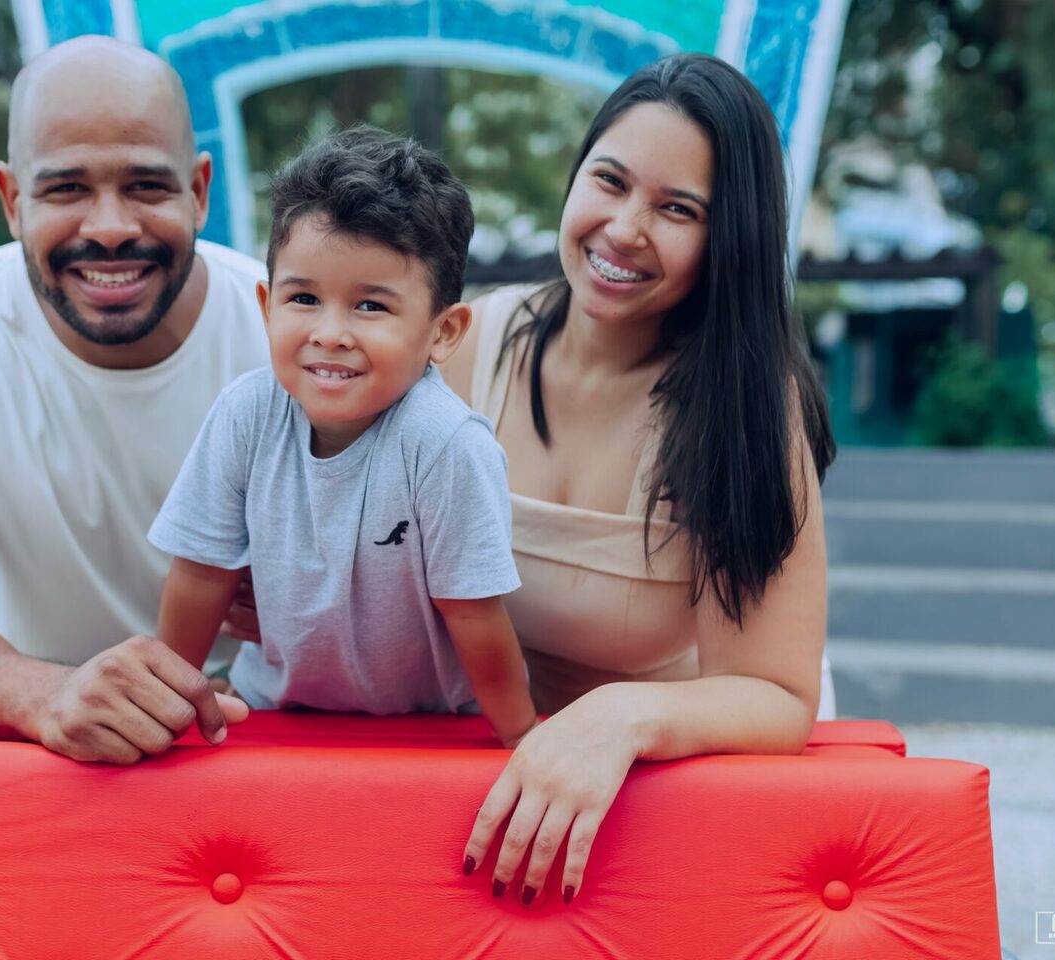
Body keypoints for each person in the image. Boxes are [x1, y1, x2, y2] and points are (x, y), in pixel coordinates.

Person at [439, 54, 837, 907]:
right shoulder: (463, 345)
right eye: (609, 181)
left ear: (726, 236)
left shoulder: (747, 406)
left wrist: (620, 719)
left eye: (676, 209)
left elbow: (778, 695)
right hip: (494, 766)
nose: (623, 228)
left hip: (672, 787)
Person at [0, 37, 264, 765]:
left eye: (146, 186)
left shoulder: (290, 337)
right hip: (40, 745)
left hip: (261, 729)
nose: (109, 227)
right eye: (67, 189)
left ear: (199, 191)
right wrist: (47, 696)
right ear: (12, 200)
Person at [149, 128, 537, 747]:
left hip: (425, 727)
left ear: (443, 331)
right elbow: (200, 574)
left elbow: (476, 613)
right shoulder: (245, 414)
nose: (330, 333)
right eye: (303, 297)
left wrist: (519, 738)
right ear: (267, 304)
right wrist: (164, 703)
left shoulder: (446, 445)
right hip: (272, 713)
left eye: (370, 307)